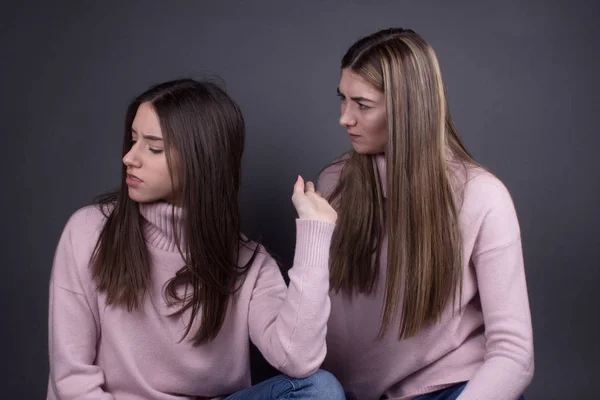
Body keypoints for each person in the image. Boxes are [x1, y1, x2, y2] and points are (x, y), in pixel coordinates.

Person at [47, 78, 345, 400]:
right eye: (132, 141)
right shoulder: (89, 231)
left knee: (322, 389)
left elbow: (298, 359)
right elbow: (73, 380)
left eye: (153, 147)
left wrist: (315, 234)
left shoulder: (249, 262)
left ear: (200, 160)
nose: (129, 158)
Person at [318, 28, 534, 400]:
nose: (345, 118)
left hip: (453, 390)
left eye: (362, 105)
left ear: (407, 109)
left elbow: (514, 353)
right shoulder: (332, 184)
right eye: (343, 99)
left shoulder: (482, 196)